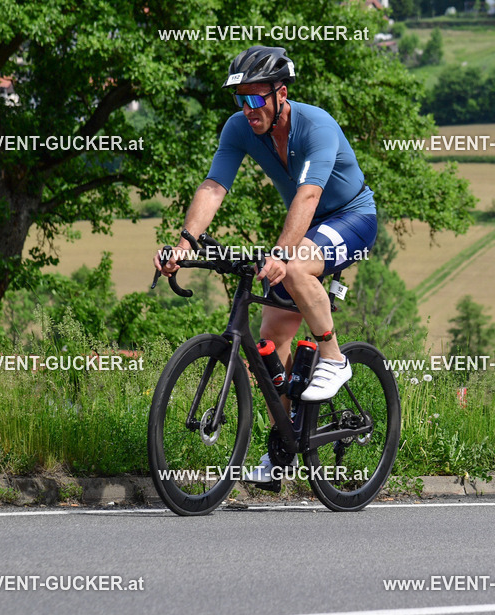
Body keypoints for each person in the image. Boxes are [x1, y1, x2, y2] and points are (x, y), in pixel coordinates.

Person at [153, 45, 377, 485]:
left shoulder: (316, 126)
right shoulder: (240, 128)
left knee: (293, 268)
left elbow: (308, 197)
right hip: (306, 225)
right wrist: (184, 243)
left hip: (351, 217)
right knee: (272, 341)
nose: (248, 108)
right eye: (241, 99)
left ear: (281, 94)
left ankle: (334, 359)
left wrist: (280, 253)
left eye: (257, 99)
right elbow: (215, 185)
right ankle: (286, 446)